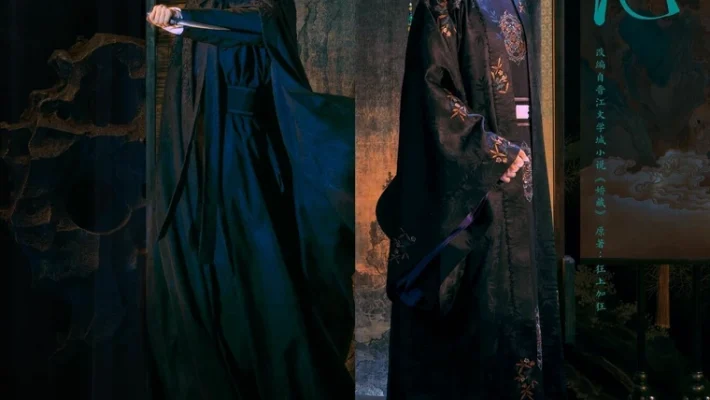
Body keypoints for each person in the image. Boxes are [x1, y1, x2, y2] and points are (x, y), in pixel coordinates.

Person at [145, 1, 355, 399]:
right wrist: (183, 21)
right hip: (199, 153)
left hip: (245, 151)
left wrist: (183, 21)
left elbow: (256, 24)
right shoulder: (207, 5)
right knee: (206, 273)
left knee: (258, 265)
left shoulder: (264, 7)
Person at [376, 0, 566, 398]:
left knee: (521, 310)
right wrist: (490, 151)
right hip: (476, 193)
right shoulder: (445, 5)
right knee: (474, 319)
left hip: (521, 181)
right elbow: (429, 91)